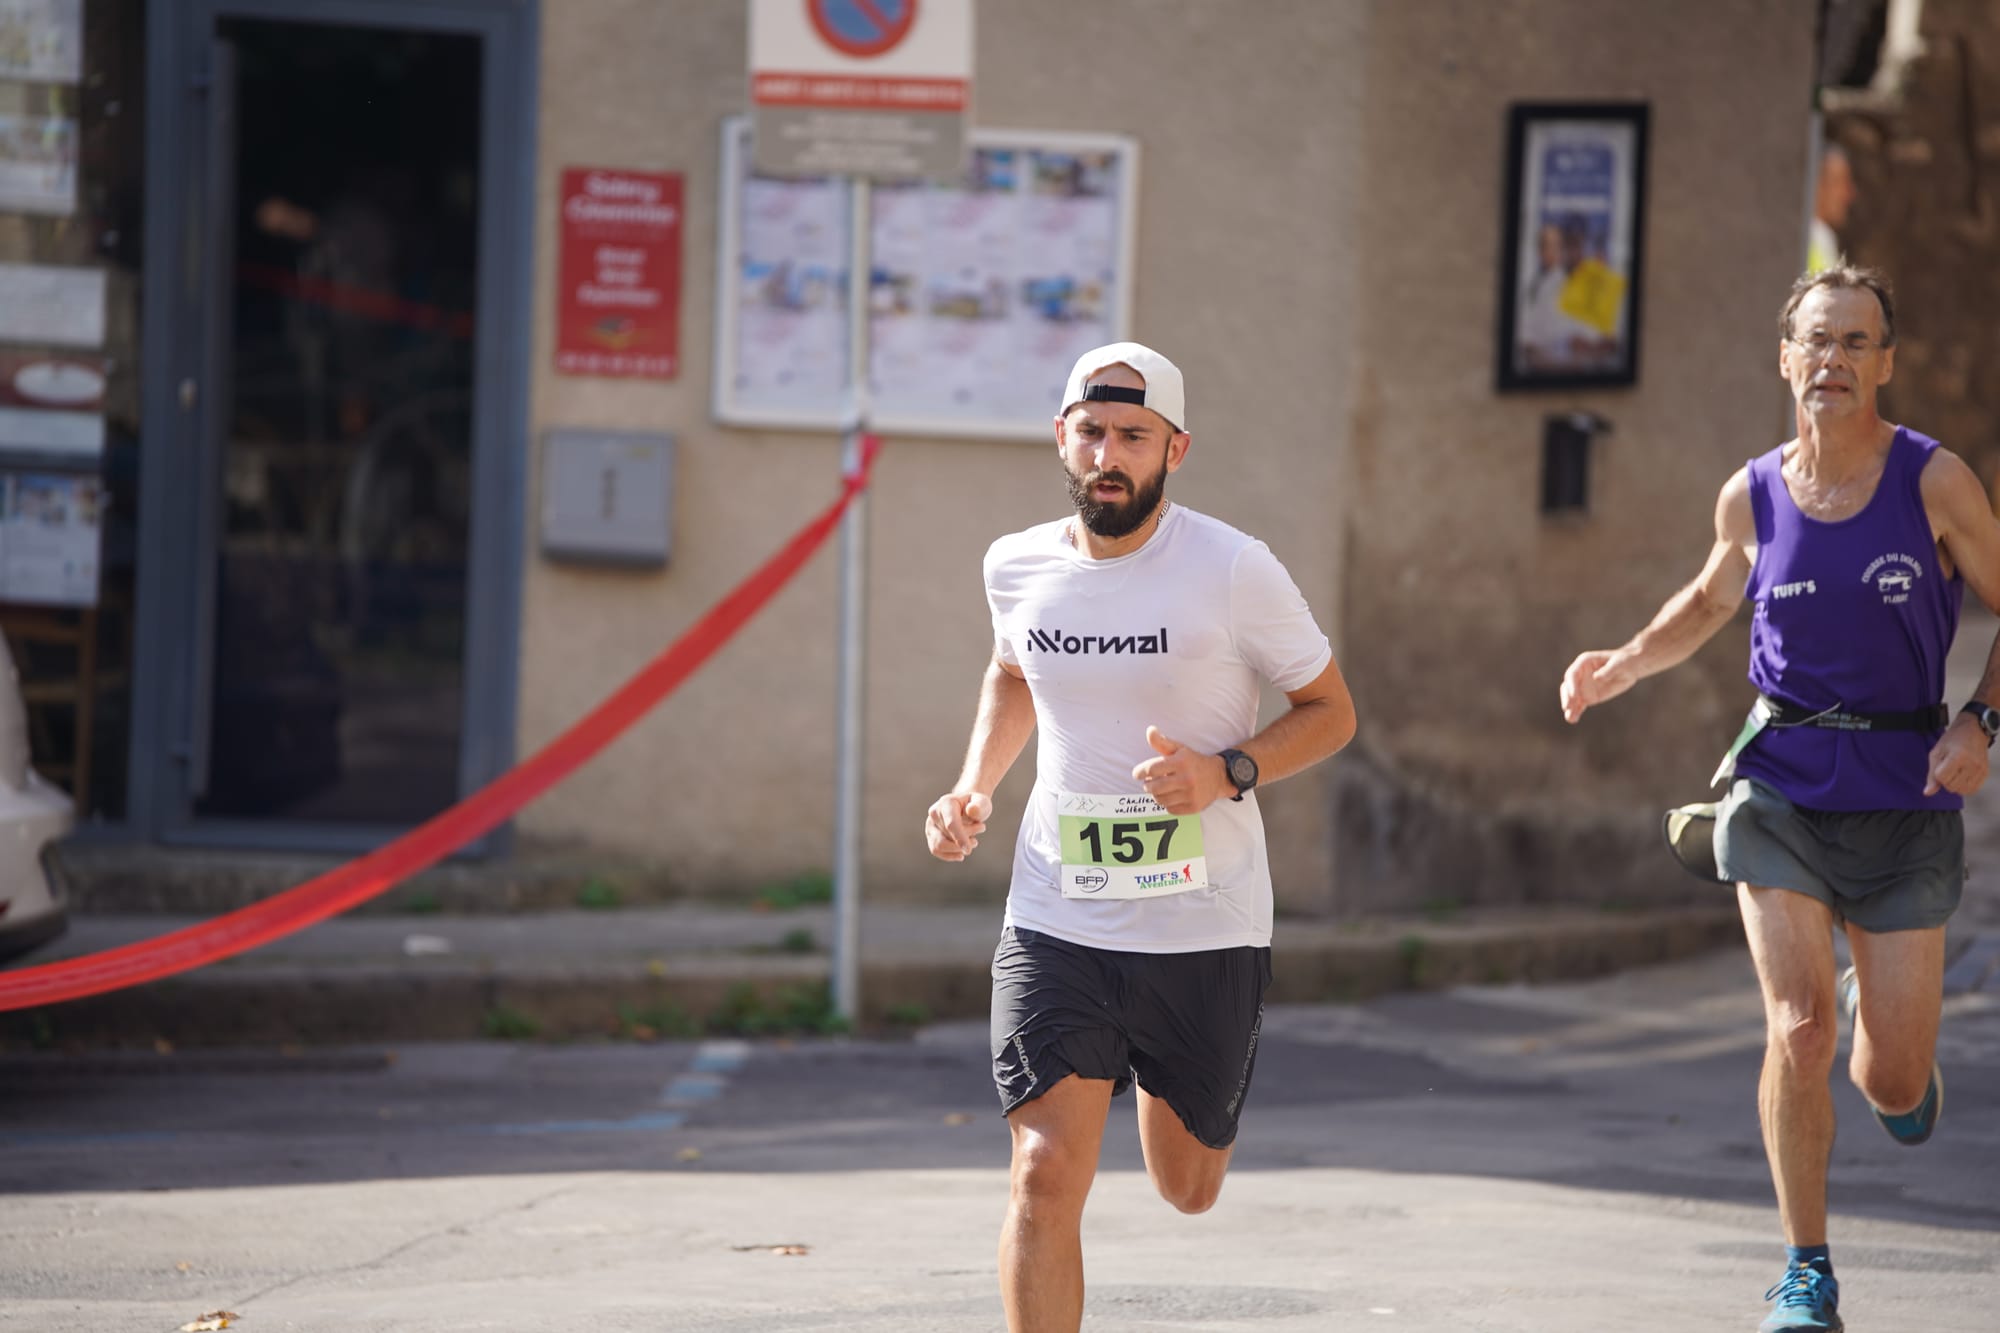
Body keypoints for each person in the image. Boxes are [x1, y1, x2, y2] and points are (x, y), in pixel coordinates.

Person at [1558, 265, 2000, 1332]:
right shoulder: (1750, 492)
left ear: (1884, 364)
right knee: (1796, 1031)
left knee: (1890, 1081)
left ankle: (1887, 1046)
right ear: (1785, 359)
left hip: (1903, 793)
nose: (1832, 360)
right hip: (1781, 783)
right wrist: (1622, 661)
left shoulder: (1933, 482)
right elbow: (1710, 598)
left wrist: (1980, 720)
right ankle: (1805, 1270)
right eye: (1816, 341)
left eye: (1855, 342)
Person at [924, 342, 1356, 1333]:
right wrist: (972, 785)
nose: (1108, 455)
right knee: (1042, 1172)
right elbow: (1013, 671)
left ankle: (1175, 1101)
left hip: (1203, 925)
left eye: (1133, 436)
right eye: (1091, 432)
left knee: (1187, 1185)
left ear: (1175, 449)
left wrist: (1225, 770)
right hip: (1057, 915)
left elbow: (1331, 710)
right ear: (1061, 437)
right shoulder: (1014, 564)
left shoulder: (1233, 568)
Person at [1808, 143, 1857, 275]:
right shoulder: (1819, 235)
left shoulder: (1821, 236)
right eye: (1838, 182)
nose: (1848, 194)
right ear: (1816, 184)